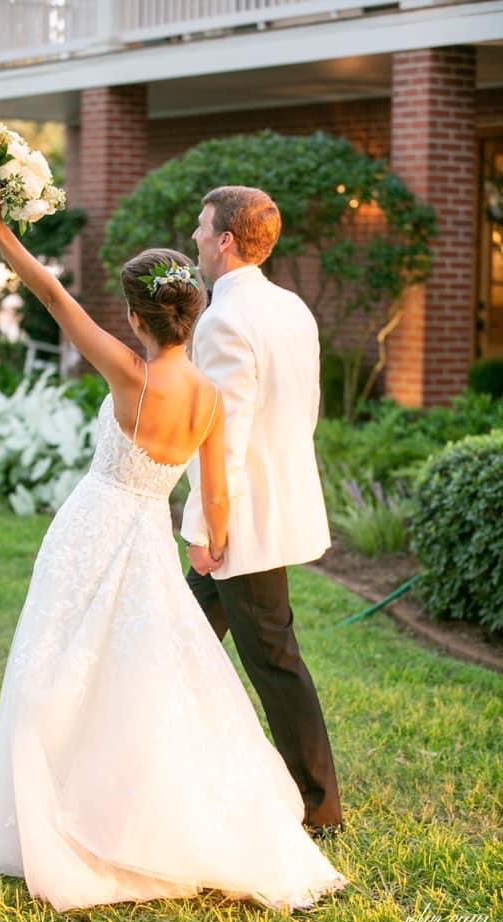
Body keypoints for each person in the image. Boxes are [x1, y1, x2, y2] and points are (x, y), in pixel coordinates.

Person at [0, 179, 348, 912]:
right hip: (148, 535)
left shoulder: (128, 373)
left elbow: (51, 294)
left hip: (92, 529)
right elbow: (214, 492)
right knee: (152, 666)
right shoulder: (206, 396)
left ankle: (68, 793)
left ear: (139, 317)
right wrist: (213, 544)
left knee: (60, 659)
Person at [183, 185, 344, 835]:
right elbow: (304, 412)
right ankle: (156, 760)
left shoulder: (223, 319)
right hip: (272, 510)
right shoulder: (291, 307)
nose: (193, 237)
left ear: (225, 240)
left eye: (201, 227)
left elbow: (224, 437)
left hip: (240, 525)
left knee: (273, 658)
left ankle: (318, 804)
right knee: (175, 633)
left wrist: (204, 529)